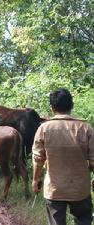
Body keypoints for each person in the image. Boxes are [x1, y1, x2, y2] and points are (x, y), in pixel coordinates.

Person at [32, 88, 94, 225]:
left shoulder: (44, 129)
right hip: (80, 189)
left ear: (52, 108)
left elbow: (38, 159)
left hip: (54, 189)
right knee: (84, 219)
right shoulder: (85, 128)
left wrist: (35, 180)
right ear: (72, 106)